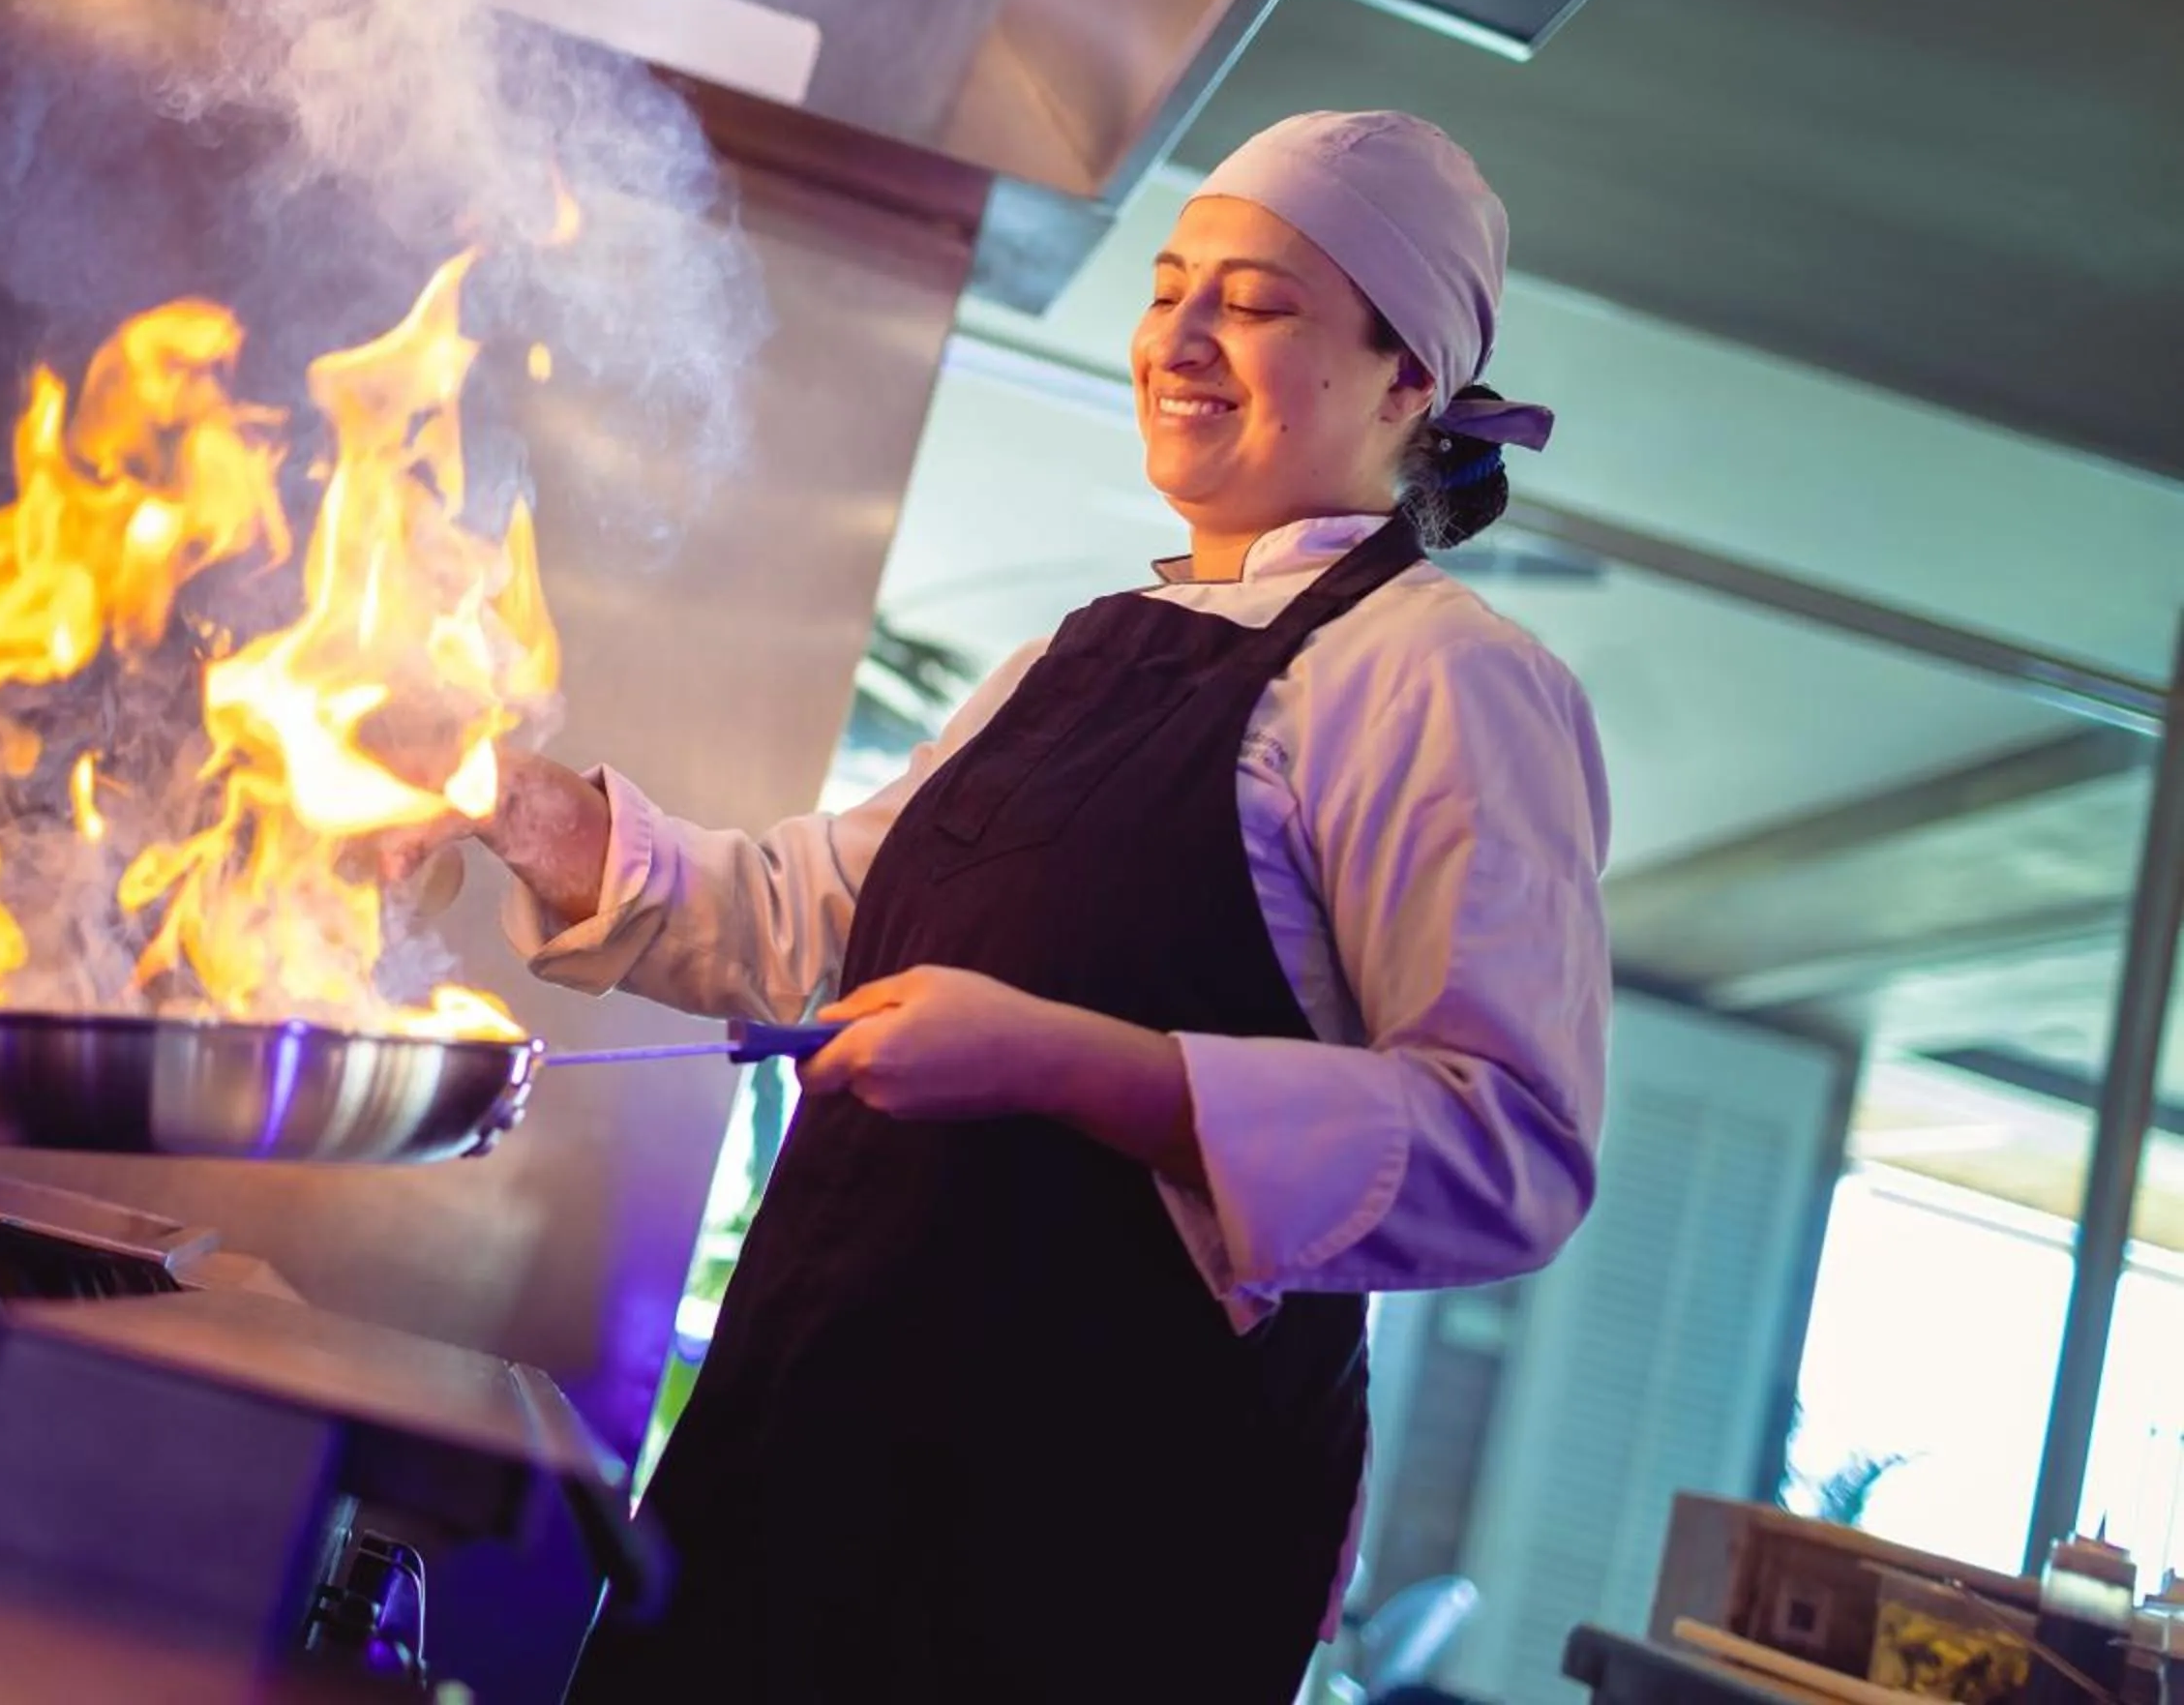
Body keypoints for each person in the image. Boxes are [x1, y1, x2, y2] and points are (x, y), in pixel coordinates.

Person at [472, 110, 1612, 1703]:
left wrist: (1056, 1063)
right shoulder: (1071, 655)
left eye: (1262, 303)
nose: (1183, 337)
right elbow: (816, 930)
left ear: (1410, 376)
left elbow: (1513, 1154)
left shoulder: (1445, 678)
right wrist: (507, 801)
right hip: (802, 1464)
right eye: (1169, 288)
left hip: (1075, 1557)